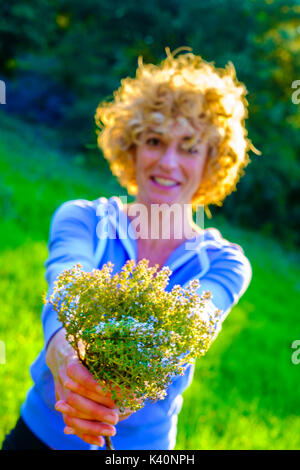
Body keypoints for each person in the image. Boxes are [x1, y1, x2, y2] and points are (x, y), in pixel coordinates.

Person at [1, 48, 259, 450]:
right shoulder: (84, 219)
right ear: (132, 147)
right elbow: (66, 288)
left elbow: (187, 331)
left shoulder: (226, 263)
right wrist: (69, 363)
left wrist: (108, 398)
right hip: (41, 436)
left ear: (212, 161)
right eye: (155, 141)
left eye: (190, 147)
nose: (169, 162)